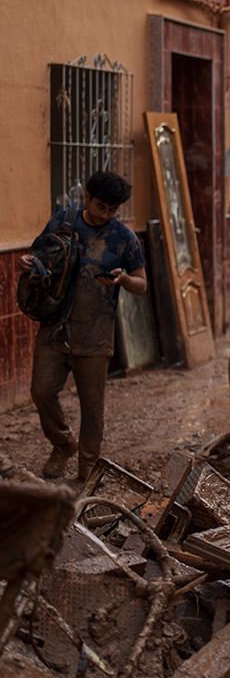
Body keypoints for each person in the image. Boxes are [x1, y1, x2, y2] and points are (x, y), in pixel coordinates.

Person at [19, 171, 148, 481]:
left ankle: (88, 466)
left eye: (112, 210)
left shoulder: (124, 238)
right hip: (55, 326)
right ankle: (63, 444)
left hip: (96, 332)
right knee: (41, 390)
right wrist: (28, 262)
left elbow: (141, 284)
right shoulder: (63, 222)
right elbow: (38, 255)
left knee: (92, 406)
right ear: (86, 196)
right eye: (100, 206)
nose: (105, 214)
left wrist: (125, 279)